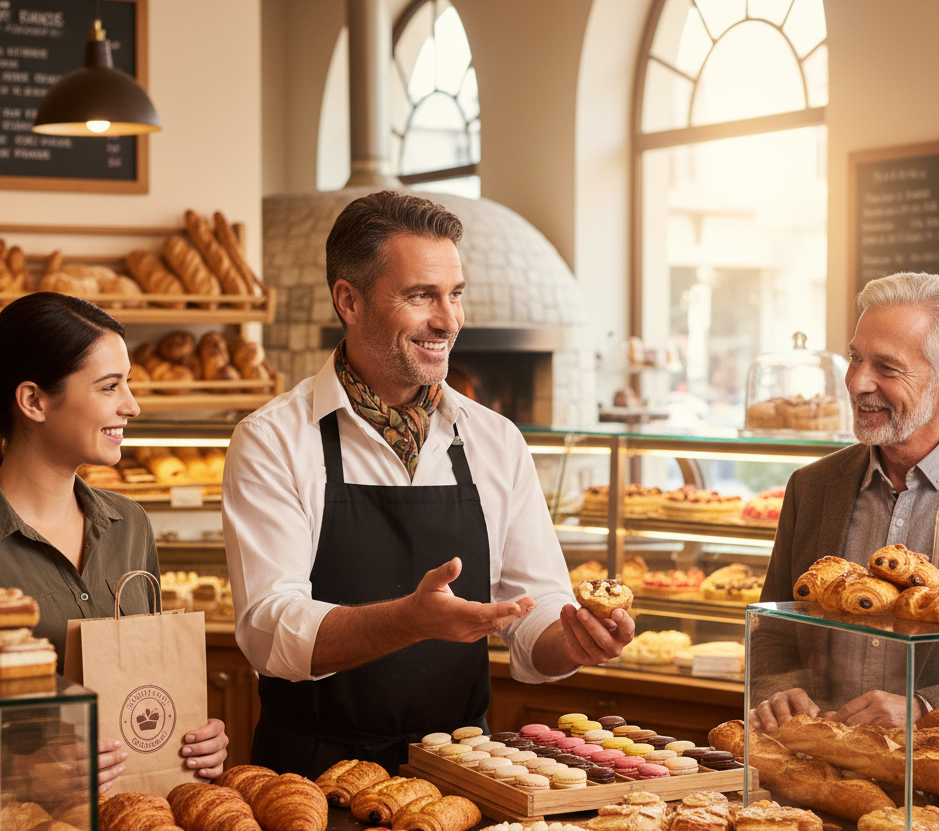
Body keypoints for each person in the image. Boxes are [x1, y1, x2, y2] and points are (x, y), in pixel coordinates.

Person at [222, 190, 635, 777]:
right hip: (310, 776)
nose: (448, 320)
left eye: (455, 294)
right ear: (349, 301)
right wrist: (409, 620)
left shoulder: (495, 439)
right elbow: (269, 631)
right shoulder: (273, 439)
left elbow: (535, 607)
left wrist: (572, 640)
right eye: (421, 296)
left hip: (463, 771)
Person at [751, 272, 939, 733]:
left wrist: (925, 708)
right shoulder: (811, 487)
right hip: (820, 759)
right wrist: (780, 688)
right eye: (856, 358)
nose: (857, 382)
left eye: (887, 368)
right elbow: (773, 632)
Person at [0, 293, 228, 790]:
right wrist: (26, 768)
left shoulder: (131, 524)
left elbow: (149, 683)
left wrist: (191, 738)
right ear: (34, 401)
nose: (132, 405)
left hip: (136, 819)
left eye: (128, 383)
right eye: (109, 386)